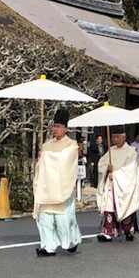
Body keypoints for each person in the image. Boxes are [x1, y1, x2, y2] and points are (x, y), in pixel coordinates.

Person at [32, 109, 82, 257]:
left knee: (63, 221)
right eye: (54, 126)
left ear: (66, 129)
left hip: (61, 188)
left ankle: (71, 241)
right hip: (48, 188)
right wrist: (42, 156)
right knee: (46, 219)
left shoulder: (71, 145)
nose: (55, 129)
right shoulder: (47, 146)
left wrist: (47, 157)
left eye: (59, 126)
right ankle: (48, 246)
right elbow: (42, 166)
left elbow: (64, 162)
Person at [96, 126, 139, 242]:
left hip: (123, 185)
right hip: (110, 186)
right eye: (114, 137)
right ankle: (107, 232)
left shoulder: (131, 151)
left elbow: (130, 170)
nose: (115, 139)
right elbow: (101, 164)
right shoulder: (111, 151)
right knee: (108, 206)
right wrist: (106, 169)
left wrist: (114, 173)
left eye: (118, 137)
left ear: (124, 137)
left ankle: (128, 231)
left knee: (126, 206)